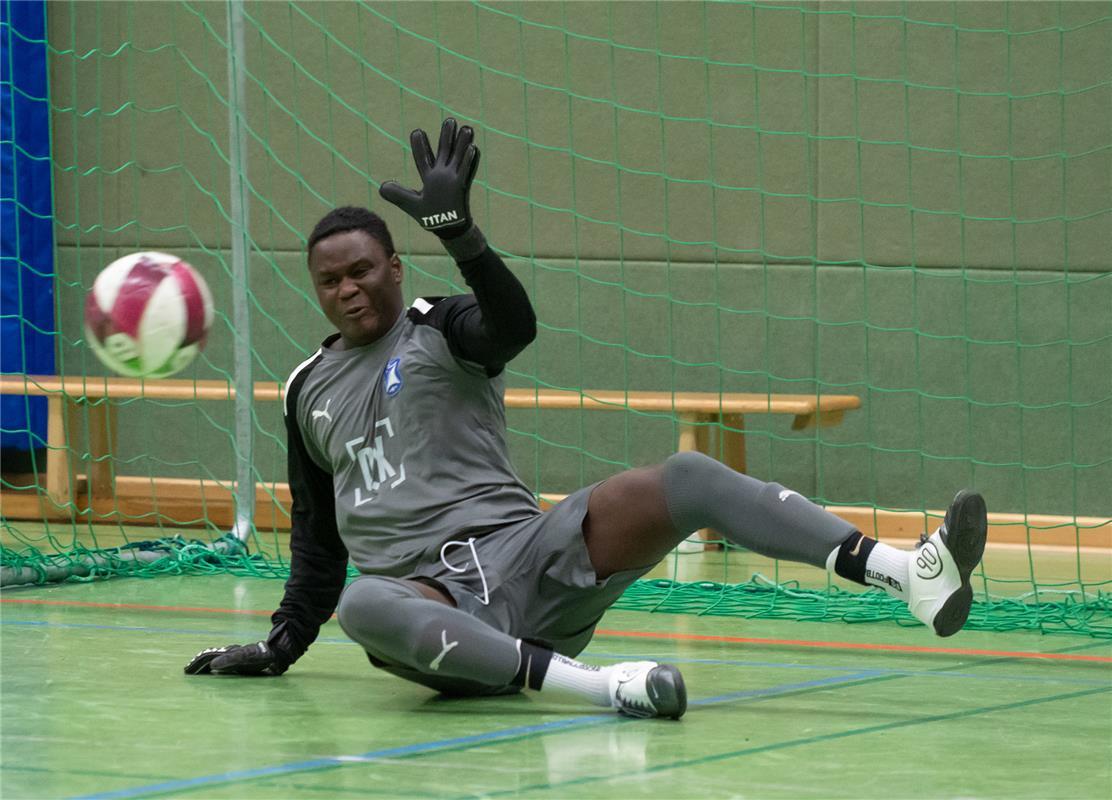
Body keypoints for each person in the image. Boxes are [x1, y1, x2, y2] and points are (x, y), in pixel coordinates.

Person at [185, 119, 988, 720]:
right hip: (429, 610)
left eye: (362, 270)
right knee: (365, 606)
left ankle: (905, 572)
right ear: (316, 290)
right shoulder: (305, 389)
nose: (348, 289)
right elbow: (319, 544)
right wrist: (282, 643)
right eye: (329, 281)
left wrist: (461, 237)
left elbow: (512, 327)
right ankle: (606, 690)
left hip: (528, 557)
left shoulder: (437, 325)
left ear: (393, 267)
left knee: (684, 477)